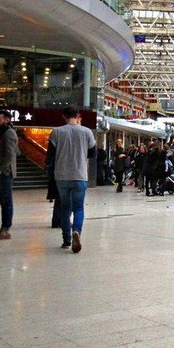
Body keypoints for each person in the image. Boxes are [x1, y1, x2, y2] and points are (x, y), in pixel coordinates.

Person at [48, 106, 96, 252]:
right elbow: (92, 153)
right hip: (79, 175)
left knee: (65, 208)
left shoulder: (56, 132)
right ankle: (77, 231)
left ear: (63, 116)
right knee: (78, 207)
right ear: (78, 115)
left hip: (61, 176)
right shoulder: (87, 132)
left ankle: (66, 240)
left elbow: (50, 156)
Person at [0, 110, 18, 241]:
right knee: (4, 201)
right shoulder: (2, 133)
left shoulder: (9, 133)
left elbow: (10, 154)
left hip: (5, 172)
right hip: (2, 172)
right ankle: (3, 227)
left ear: (7, 120)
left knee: (7, 201)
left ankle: (6, 229)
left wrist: (2, 169)